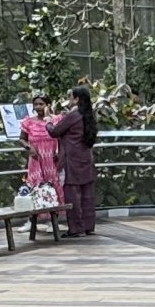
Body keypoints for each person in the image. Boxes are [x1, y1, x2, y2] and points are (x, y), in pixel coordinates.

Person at [47, 84, 100, 236]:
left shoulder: (73, 115)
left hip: (72, 160)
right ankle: (88, 226)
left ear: (76, 99)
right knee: (87, 194)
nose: (69, 100)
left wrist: (48, 121)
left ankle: (76, 229)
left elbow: (55, 132)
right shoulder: (89, 115)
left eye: (70, 97)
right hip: (86, 158)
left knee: (72, 194)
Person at [20, 91, 62, 204]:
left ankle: (56, 214)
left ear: (47, 105)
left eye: (41, 104)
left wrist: (60, 151)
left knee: (54, 185)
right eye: (36, 104)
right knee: (37, 185)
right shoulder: (28, 122)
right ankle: (37, 216)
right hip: (36, 159)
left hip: (52, 159)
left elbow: (62, 137)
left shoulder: (57, 120)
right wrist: (29, 148)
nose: (38, 107)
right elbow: (22, 139)